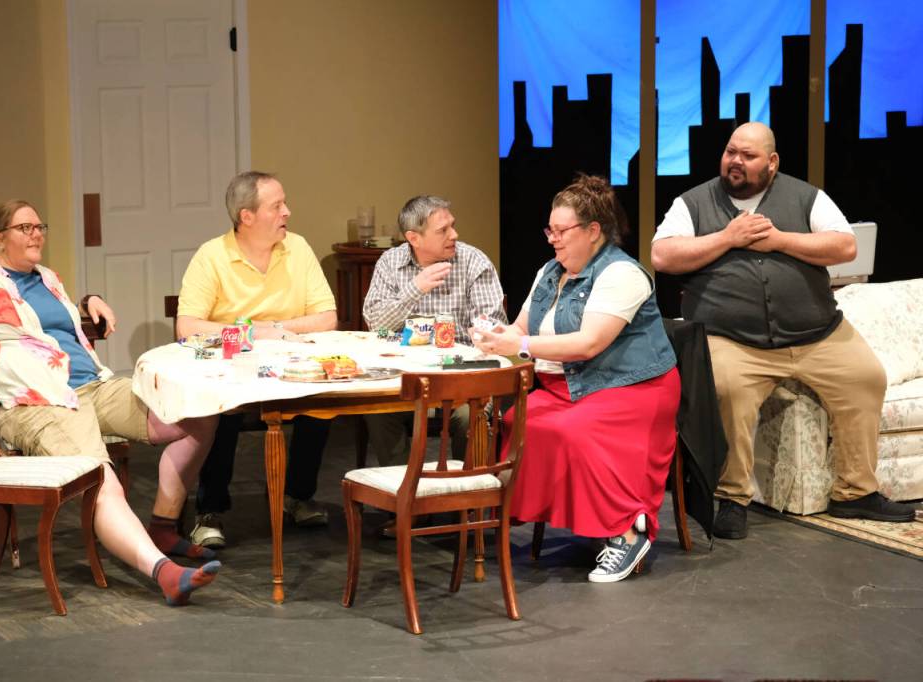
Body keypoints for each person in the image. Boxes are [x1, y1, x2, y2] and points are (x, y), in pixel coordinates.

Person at [0, 200, 220, 606]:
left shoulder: (46, 277)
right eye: (25, 228)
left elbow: (53, 323)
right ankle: (164, 572)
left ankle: (162, 526)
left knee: (197, 415)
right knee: (101, 478)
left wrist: (89, 300)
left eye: (40, 226)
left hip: (90, 388)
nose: (37, 234)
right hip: (37, 403)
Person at [651, 121, 916, 540]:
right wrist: (727, 237)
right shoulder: (694, 203)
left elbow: (845, 246)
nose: (735, 162)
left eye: (748, 156)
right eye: (731, 152)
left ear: (772, 162)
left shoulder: (806, 197)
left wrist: (779, 240)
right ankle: (733, 498)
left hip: (817, 334)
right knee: (729, 391)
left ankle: (855, 492)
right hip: (732, 340)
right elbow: (662, 255)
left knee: (866, 377)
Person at [473, 175, 679, 583]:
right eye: (549, 230)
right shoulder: (550, 272)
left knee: (575, 431)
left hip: (630, 387)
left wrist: (521, 344)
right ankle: (493, 516)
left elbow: (588, 343)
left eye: (561, 230)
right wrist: (496, 337)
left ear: (593, 230)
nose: (553, 239)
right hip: (570, 386)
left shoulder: (622, 274)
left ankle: (628, 531)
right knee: (517, 422)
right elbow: (521, 328)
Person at [177, 171, 338, 548]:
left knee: (321, 404)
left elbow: (327, 317)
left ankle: (297, 496)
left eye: (285, 203)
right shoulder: (212, 256)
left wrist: (276, 328)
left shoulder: (297, 248)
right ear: (246, 216)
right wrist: (253, 334)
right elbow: (187, 326)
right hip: (233, 366)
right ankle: (209, 511)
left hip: (289, 362)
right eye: (277, 206)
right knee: (221, 410)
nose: (287, 212)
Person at [361, 195, 506, 468]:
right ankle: (404, 487)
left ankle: (467, 487)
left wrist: (483, 332)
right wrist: (415, 289)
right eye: (443, 230)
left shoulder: (474, 262)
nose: (454, 234)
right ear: (414, 238)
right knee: (378, 411)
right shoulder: (390, 262)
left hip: (459, 374)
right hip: (404, 375)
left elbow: (493, 326)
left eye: (453, 226)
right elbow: (376, 324)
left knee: (468, 415)